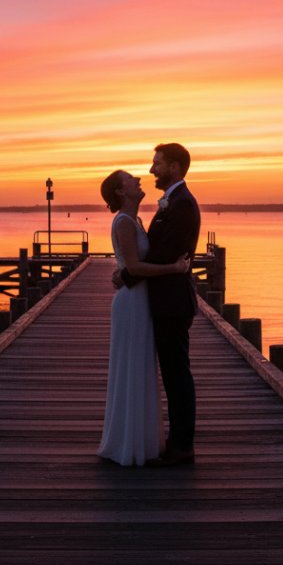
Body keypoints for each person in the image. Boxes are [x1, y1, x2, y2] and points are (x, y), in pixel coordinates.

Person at [98, 170, 191, 466]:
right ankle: (128, 443)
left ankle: (142, 440)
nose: (138, 178)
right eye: (129, 179)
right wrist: (174, 269)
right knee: (132, 367)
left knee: (140, 368)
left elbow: (132, 266)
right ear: (120, 192)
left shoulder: (136, 220)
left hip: (142, 301)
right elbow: (135, 268)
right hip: (131, 302)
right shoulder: (124, 222)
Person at [119, 143, 201, 467]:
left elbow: (166, 255)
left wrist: (127, 273)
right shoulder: (173, 202)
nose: (152, 170)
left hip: (173, 302)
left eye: (158, 164)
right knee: (173, 374)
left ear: (175, 168)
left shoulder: (182, 205)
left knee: (177, 374)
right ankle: (178, 442)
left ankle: (183, 446)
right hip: (164, 300)